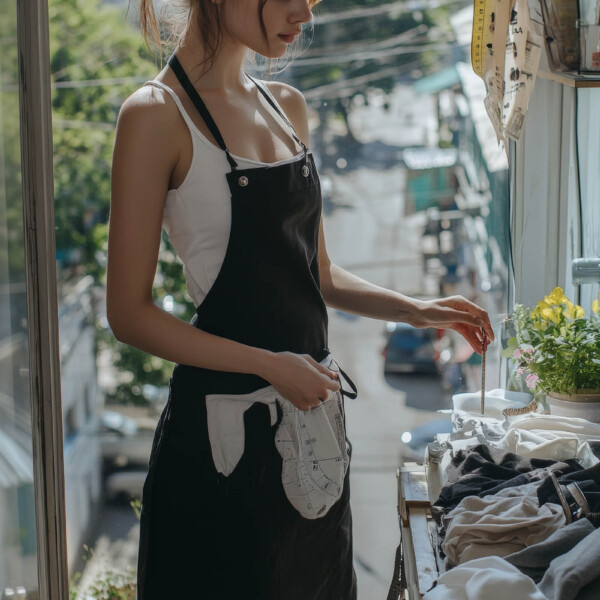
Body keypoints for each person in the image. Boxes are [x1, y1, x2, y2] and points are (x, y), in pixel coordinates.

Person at [107, 0, 495, 597]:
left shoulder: (285, 106)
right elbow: (127, 315)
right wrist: (269, 365)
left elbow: (319, 273)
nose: (305, 16)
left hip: (311, 442)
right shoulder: (157, 115)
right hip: (219, 451)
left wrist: (419, 309)